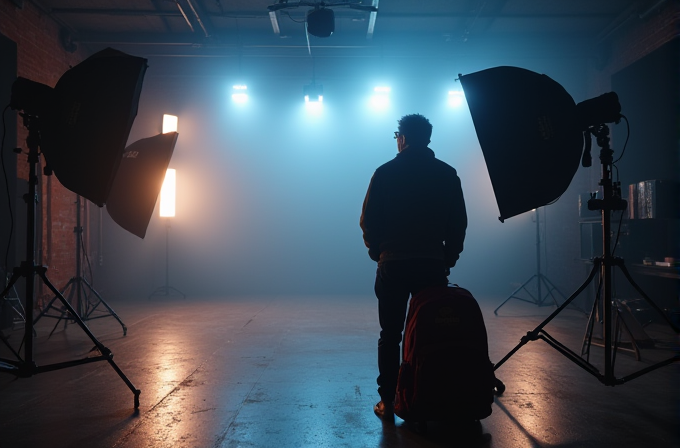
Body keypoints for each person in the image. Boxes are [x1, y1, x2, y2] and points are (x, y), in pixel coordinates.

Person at [360, 113, 467, 420]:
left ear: (402, 138)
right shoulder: (447, 174)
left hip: (393, 264)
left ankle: (389, 400)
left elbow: (369, 221)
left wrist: (377, 252)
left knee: (390, 334)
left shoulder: (384, 173)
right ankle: (429, 395)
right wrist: (449, 257)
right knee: (431, 331)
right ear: (428, 139)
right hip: (432, 265)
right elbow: (458, 223)